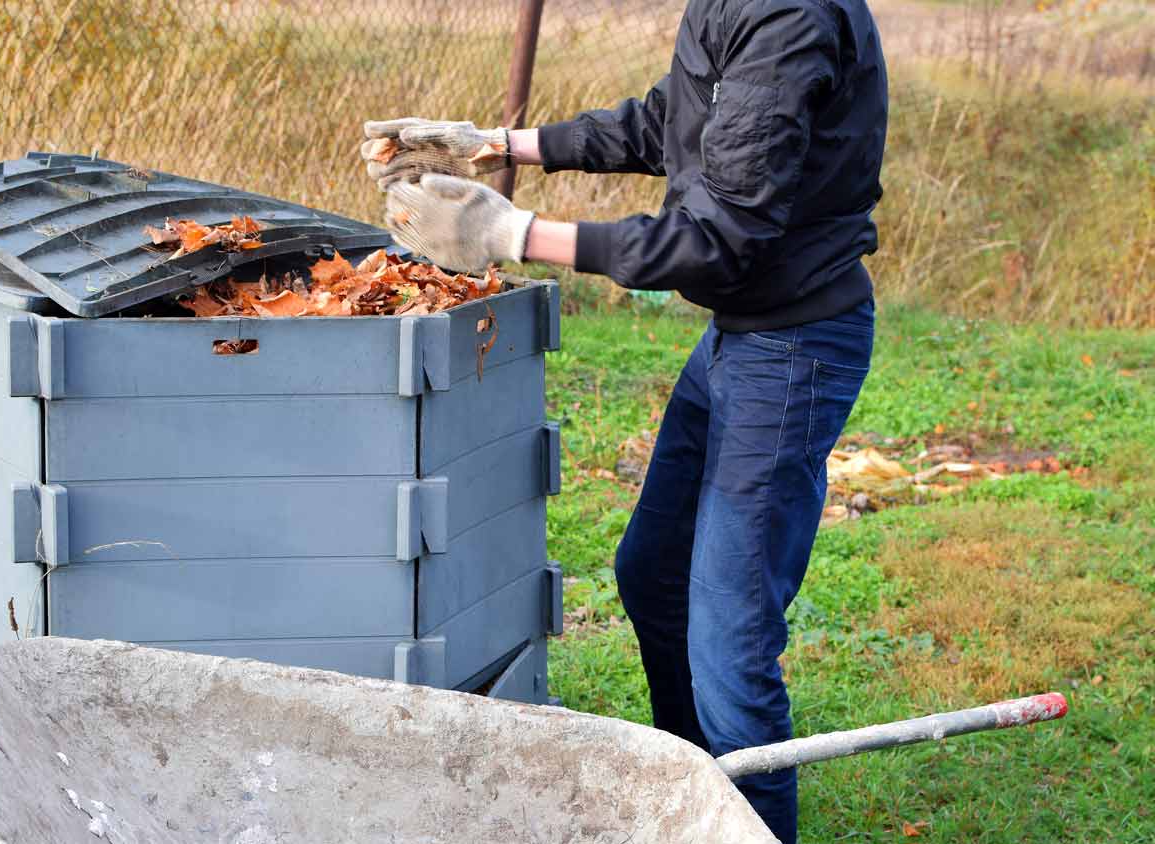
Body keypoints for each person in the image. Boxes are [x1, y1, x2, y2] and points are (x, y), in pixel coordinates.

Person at [363, 1, 886, 840]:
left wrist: (511, 231)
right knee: (653, 573)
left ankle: (753, 828)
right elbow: (668, 122)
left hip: (791, 349)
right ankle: (697, 804)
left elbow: (717, 238)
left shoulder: (789, 18)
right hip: (740, 341)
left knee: (732, 638)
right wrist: (496, 145)